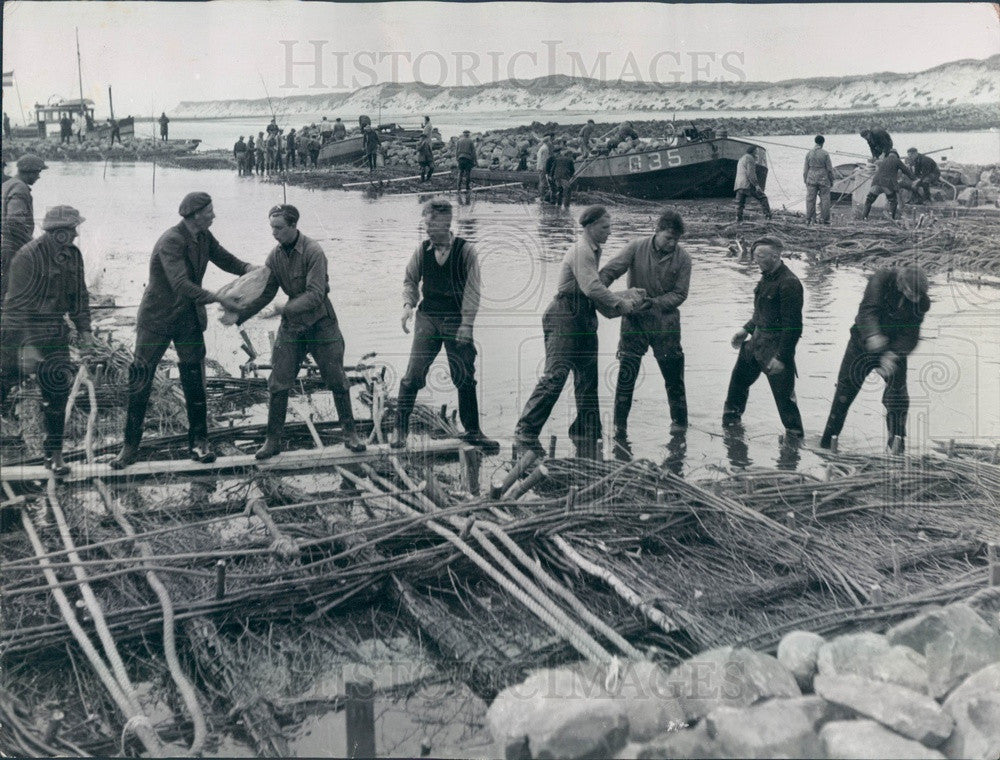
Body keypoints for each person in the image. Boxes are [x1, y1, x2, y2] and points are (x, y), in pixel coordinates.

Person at [110, 192, 252, 469]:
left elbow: (225, 259)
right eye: (210, 211)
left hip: (188, 317)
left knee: (194, 380)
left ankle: (199, 443)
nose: (214, 215)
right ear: (195, 214)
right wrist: (218, 298)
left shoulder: (203, 236)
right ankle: (129, 447)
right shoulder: (172, 240)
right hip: (158, 318)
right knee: (141, 377)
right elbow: (180, 284)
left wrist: (249, 269)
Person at [227, 205, 366, 457]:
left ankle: (350, 433)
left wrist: (282, 309)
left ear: (293, 226)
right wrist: (239, 315)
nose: (274, 233)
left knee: (336, 379)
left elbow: (315, 295)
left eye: (279, 228)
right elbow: (267, 291)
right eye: (271, 227)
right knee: (278, 383)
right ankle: (272, 441)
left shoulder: (314, 252)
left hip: (321, 323)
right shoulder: (275, 256)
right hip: (293, 327)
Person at [513, 206, 645, 454]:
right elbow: (592, 288)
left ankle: (587, 432)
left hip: (582, 314)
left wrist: (626, 296)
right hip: (564, 315)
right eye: (605, 227)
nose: (609, 231)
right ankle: (526, 431)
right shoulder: (582, 250)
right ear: (590, 226)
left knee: (587, 378)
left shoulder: (593, 250)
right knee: (556, 376)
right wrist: (622, 303)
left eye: (610, 226)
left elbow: (592, 294)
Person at [391, 198, 498, 452]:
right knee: (413, 375)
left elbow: (473, 292)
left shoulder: (466, 252)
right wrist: (408, 306)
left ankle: (473, 431)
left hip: (456, 320)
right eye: (425, 223)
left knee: (464, 376)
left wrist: (467, 325)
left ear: (446, 222)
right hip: (427, 318)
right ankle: (400, 428)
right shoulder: (422, 250)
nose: (426, 229)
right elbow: (410, 281)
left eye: (430, 224)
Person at [2, 206, 93, 474]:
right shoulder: (27, 257)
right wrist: (27, 347)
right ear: (58, 233)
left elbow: (80, 297)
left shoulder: (73, 256)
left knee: (58, 393)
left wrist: (85, 331)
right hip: (20, 333)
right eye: (71, 229)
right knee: (4, 387)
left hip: (54, 333)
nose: (76, 234)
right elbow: (15, 307)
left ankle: (54, 455)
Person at [600, 208, 691, 442]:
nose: (672, 243)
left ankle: (680, 427)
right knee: (626, 378)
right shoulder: (636, 247)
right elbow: (611, 271)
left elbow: (680, 294)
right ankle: (619, 429)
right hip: (634, 323)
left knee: (674, 380)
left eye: (676, 239)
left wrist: (655, 302)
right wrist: (597, 291)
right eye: (668, 238)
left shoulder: (683, 259)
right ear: (657, 231)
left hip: (666, 325)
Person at [819, 265, 930, 454]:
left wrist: (893, 354)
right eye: (913, 294)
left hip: (893, 350)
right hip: (861, 344)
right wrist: (873, 336)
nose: (916, 299)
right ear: (900, 284)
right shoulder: (881, 279)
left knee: (898, 398)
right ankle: (827, 444)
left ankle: (896, 448)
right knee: (844, 394)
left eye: (920, 295)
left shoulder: (921, 301)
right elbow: (866, 313)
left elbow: (911, 335)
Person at [722, 237, 804, 440]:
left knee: (786, 403)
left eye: (760, 256)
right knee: (736, 389)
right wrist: (746, 329)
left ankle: (794, 446)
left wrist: (782, 358)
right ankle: (731, 434)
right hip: (754, 344)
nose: (755, 259)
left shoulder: (789, 283)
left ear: (775, 256)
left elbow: (793, 327)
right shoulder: (766, 276)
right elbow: (762, 312)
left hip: (775, 349)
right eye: (754, 255)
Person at [1, 154, 47, 305]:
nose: (39, 177)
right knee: (13, 280)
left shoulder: (8, 184)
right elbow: (14, 221)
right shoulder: (20, 189)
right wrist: (31, 244)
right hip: (13, 243)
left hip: (6, 241)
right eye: (37, 172)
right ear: (29, 172)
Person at [862, 149, 914, 220]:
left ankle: (863, 218)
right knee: (893, 202)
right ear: (896, 155)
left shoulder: (883, 160)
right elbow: (906, 171)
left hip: (876, 182)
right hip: (887, 184)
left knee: (869, 201)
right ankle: (891, 219)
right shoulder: (897, 160)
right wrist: (915, 179)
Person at [734, 146, 772, 223]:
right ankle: (768, 216)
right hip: (747, 184)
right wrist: (756, 185)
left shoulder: (741, 158)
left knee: (740, 203)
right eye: (756, 151)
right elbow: (751, 173)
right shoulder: (750, 158)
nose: (757, 153)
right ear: (753, 152)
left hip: (739, 185)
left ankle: (738, 219)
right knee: (763, 198)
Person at [803, 135, 834, 224]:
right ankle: (825, 220)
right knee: (825, 199)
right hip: (823, 179)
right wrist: (832, 180)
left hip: (811, 178)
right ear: (823, 143)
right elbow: (829, 169)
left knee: (810, 199)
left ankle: (809, 219)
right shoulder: (825, 154)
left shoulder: (809, 153)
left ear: (815, 142)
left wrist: (805, 179)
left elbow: (805, 169)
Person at [536, 133, 554, 202]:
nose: (551, 142)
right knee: (543, 182)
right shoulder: (545, 149)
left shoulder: (542, 147)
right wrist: (546, 168)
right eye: (550, 141)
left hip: (540, 166)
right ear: (547, 141)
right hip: (542, 167)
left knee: (542, 181)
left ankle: (541, 196)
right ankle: (542, 197)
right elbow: (545, 160)